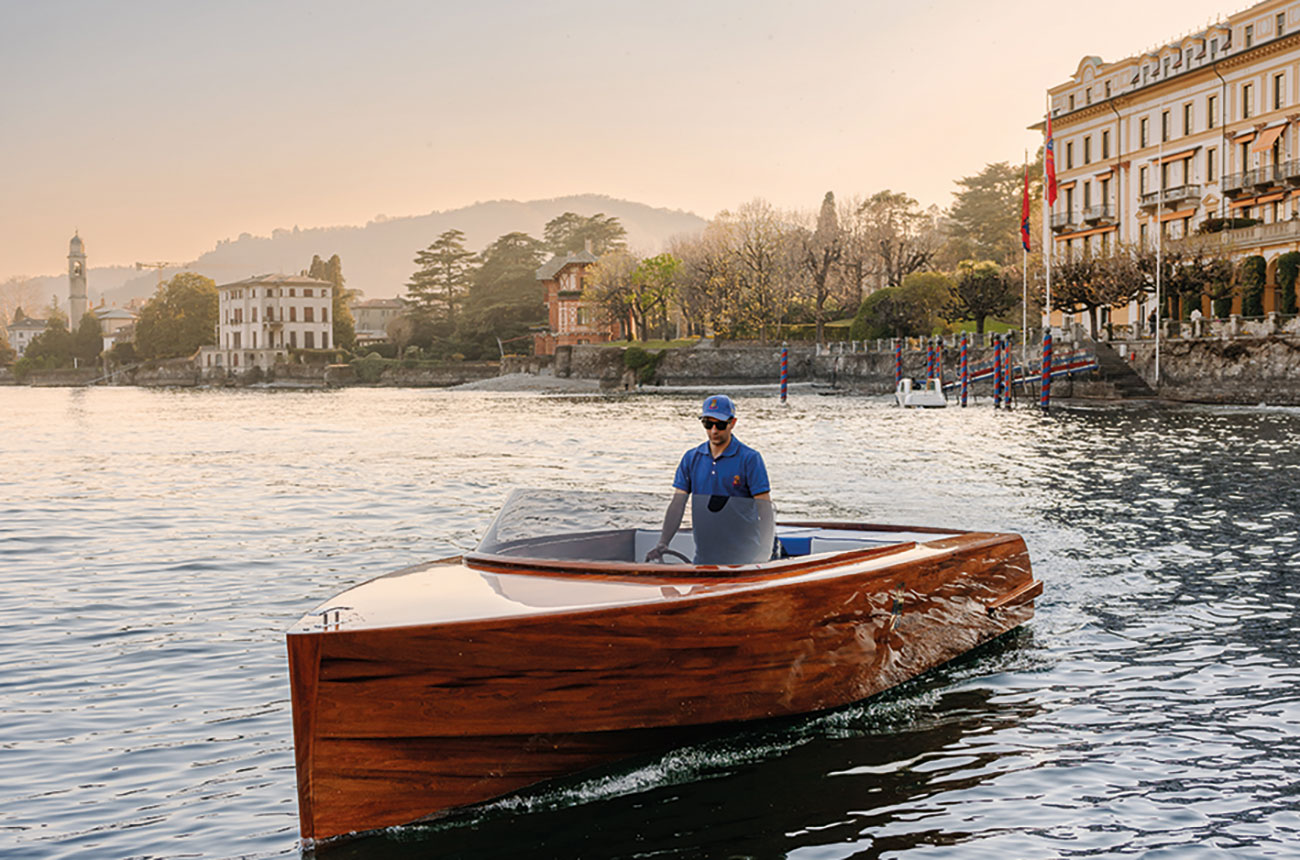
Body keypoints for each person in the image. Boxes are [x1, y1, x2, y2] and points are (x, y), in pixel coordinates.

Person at [645, 394, 771, 563]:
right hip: (704, 557)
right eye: (707, 423)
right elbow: (677, 504)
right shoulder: (691, 458)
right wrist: (663, 543)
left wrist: (764, 551)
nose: (713, 430)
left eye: (719, 424)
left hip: (743, 559)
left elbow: (765, 509)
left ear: (732, 423)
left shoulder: (750, 459)